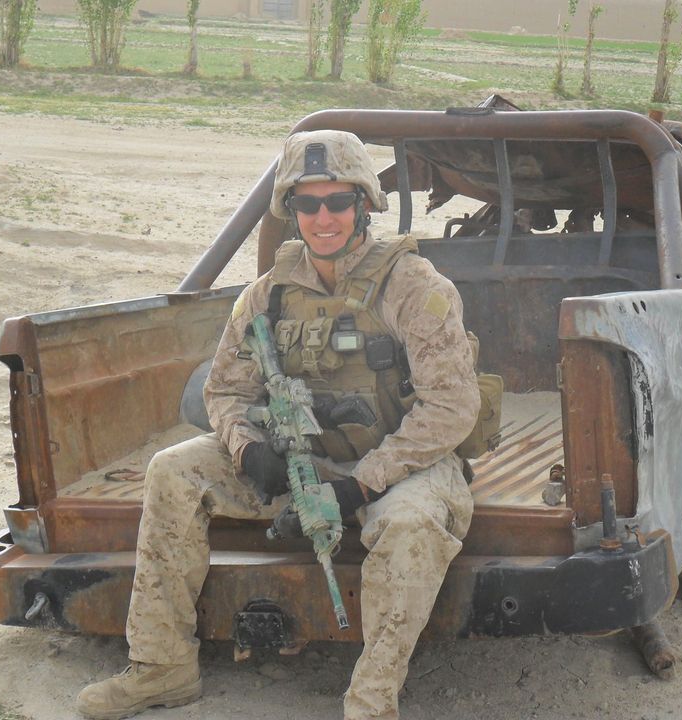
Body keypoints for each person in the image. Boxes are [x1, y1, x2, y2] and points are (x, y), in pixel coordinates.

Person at [77, 129, 480, 720]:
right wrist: (248, 450)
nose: (323, 218)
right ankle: (161, 666)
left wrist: (359, 486)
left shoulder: (414, 287)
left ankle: (371, 702)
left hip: (401, 464)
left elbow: (451, 408)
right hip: (302, 458)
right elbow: (225, 390)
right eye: (307, 203)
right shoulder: (267, 295)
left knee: (411, 524)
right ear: (290, 209)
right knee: (174, 471)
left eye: (338, 201)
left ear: (364, 203)